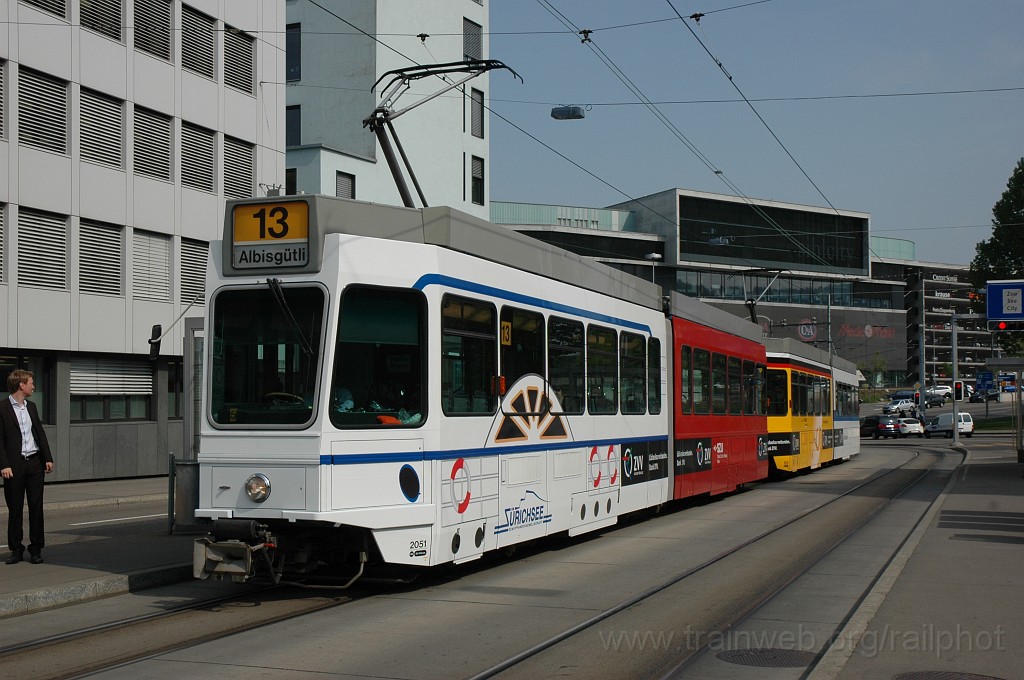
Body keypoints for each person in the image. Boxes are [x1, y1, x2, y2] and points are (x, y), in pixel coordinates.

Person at [0, 369, 54, 564]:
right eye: (31, 382)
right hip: (13, 467)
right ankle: (16, 549)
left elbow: (39, 432)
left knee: (36, 508)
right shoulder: (2, 408)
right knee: (15, 509)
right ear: (21, 385)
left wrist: (47, 457)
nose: (33, 386)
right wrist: (4, 465)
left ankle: (36, 549)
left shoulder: (31, 407)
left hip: (34, 463)